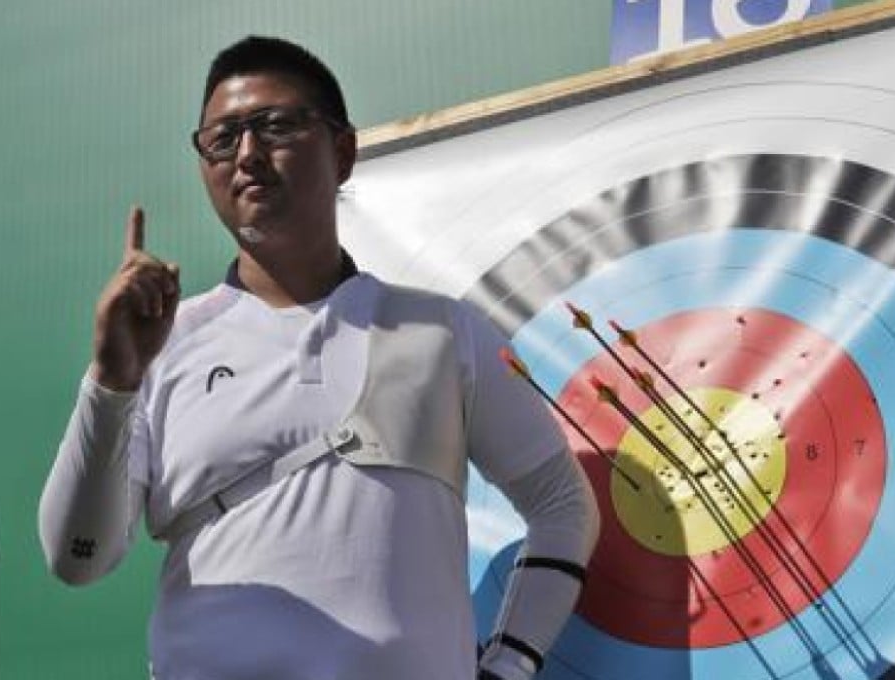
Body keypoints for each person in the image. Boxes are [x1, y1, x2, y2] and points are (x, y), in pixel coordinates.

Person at [39, 36, 599, 680]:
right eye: (222, 139)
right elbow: (77, 560)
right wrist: (113, 383)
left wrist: (509, 664)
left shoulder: (445, 331)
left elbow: (562, 504)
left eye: (275, 126)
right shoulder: (161, 347)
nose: (247, 154)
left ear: (343, 151)